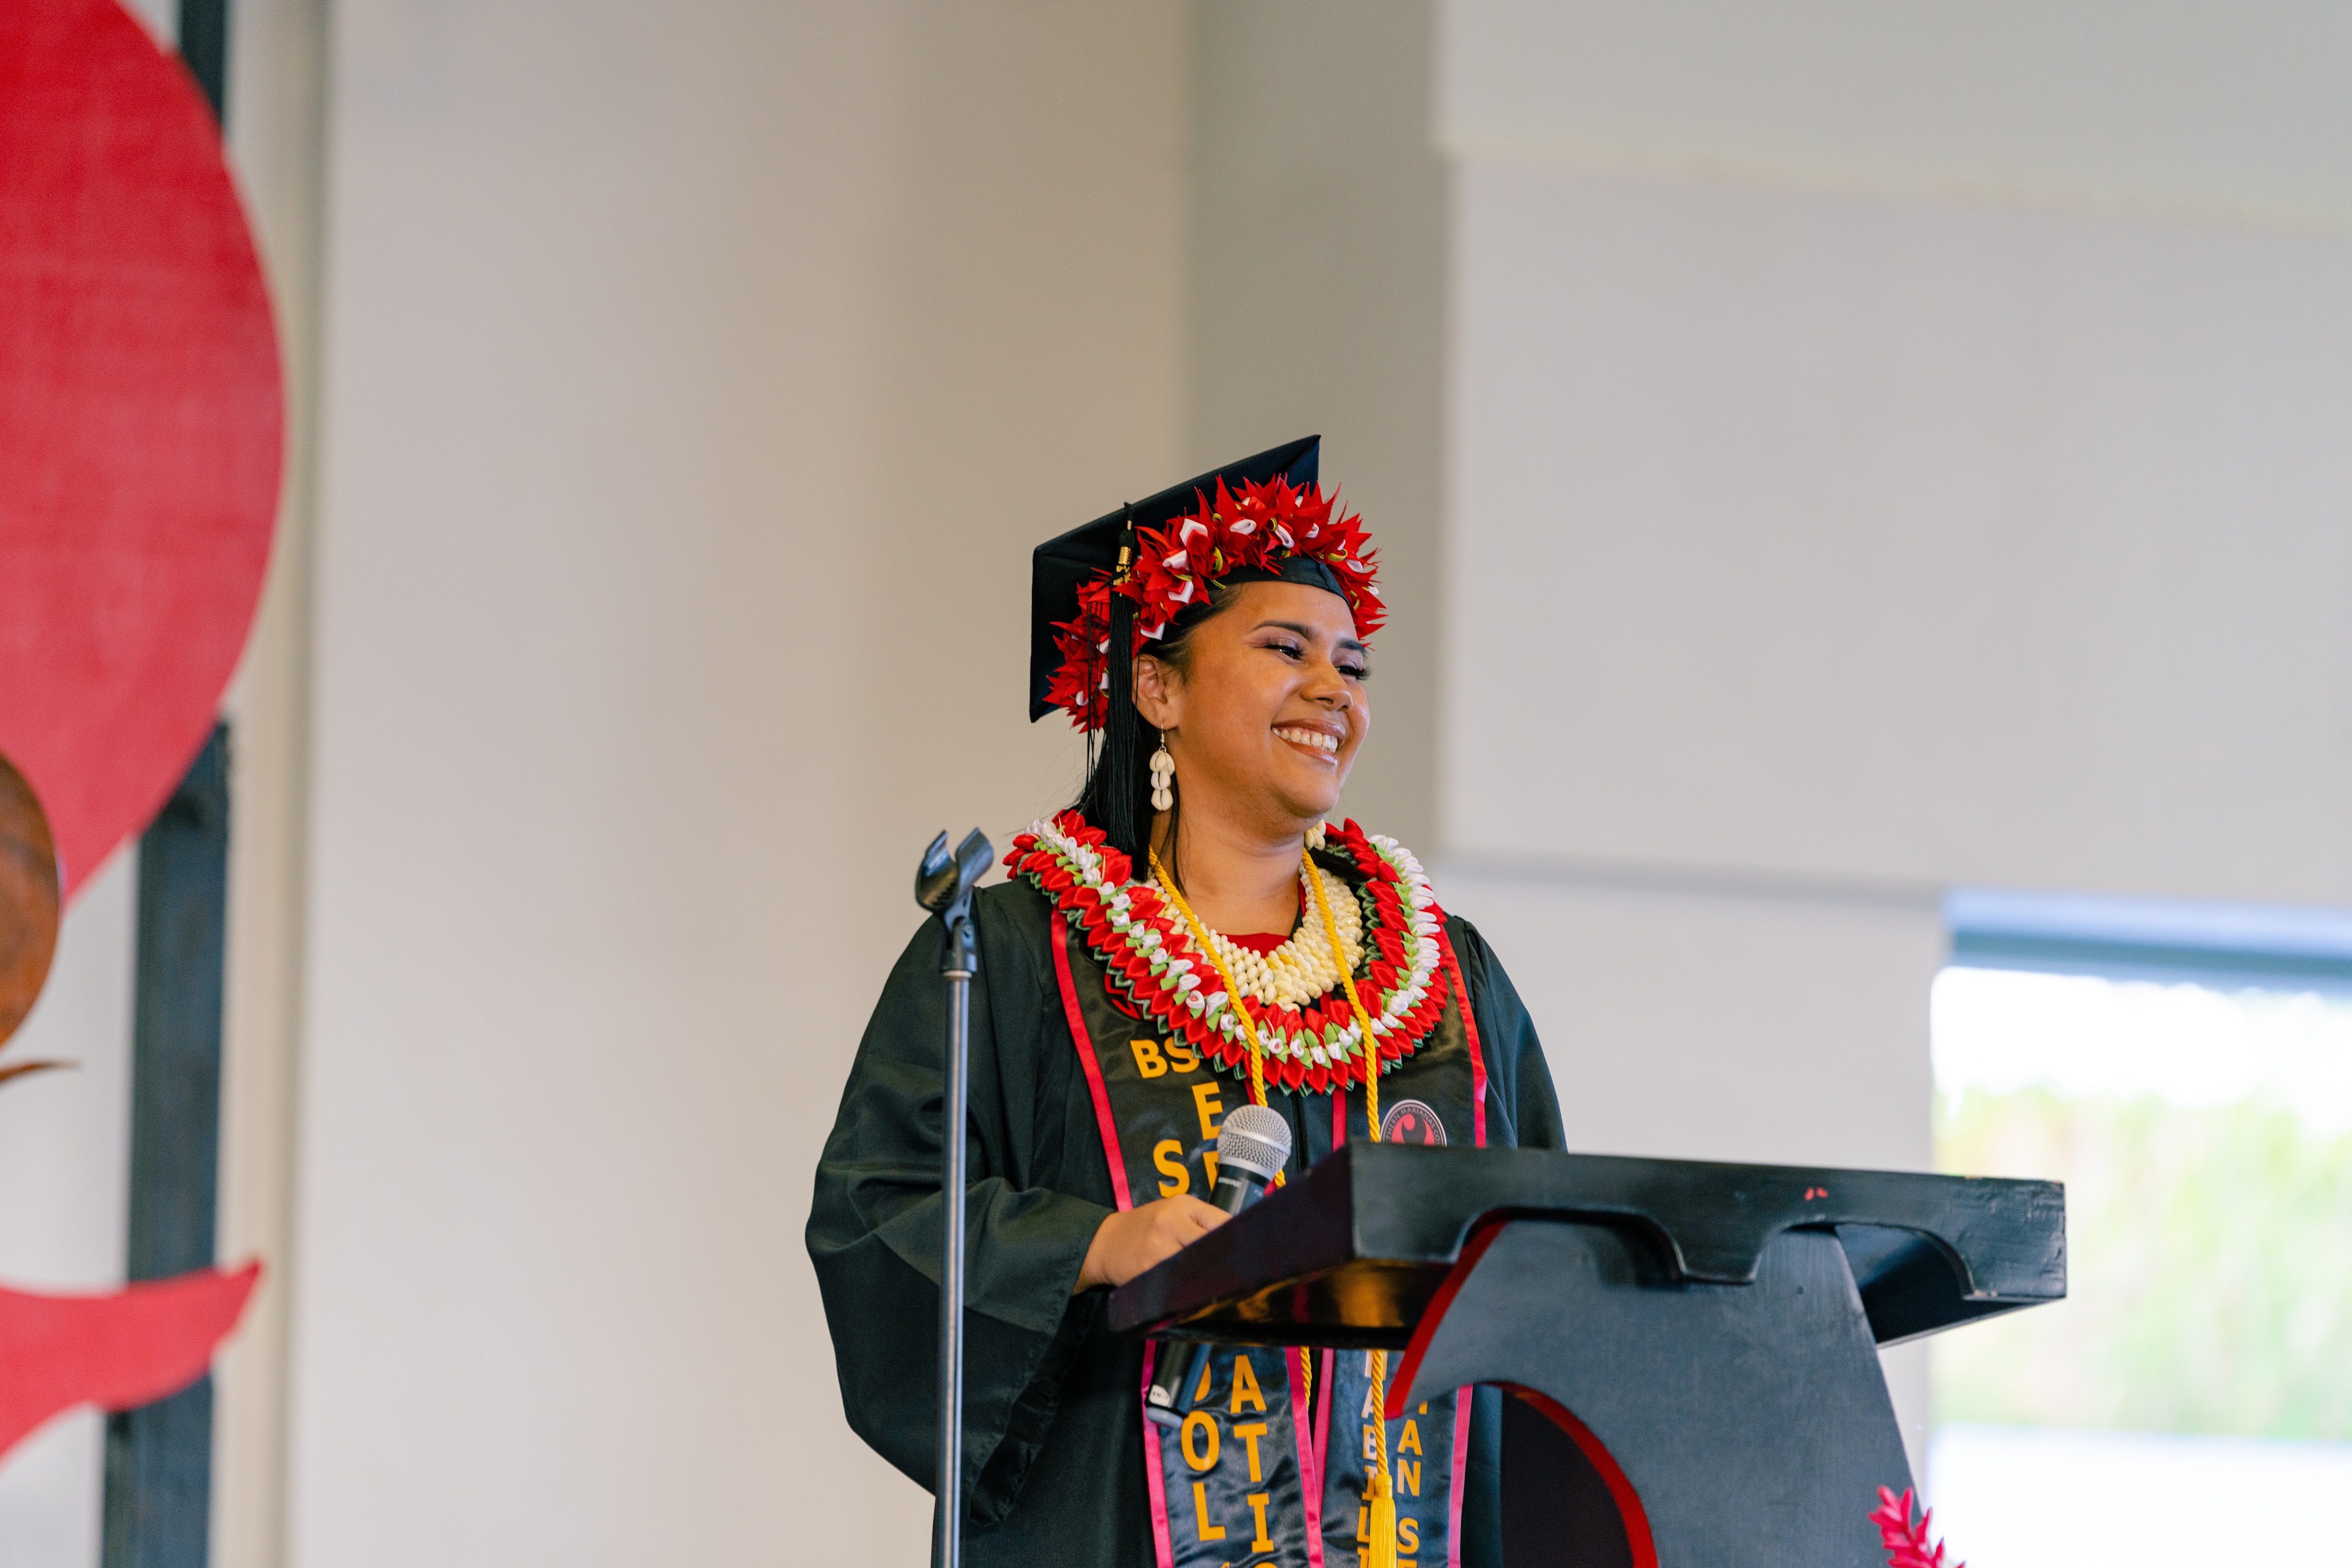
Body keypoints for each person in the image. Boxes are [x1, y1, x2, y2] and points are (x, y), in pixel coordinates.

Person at [809, 437, 1564, 1567]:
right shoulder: (1018, 953)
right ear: (1154, 685)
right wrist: (1098, 1243)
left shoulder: (1446, 978)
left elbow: (1548, 1262)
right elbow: (878, 1212)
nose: (1332, 689)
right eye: (1284, 648)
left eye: (1352, 665)